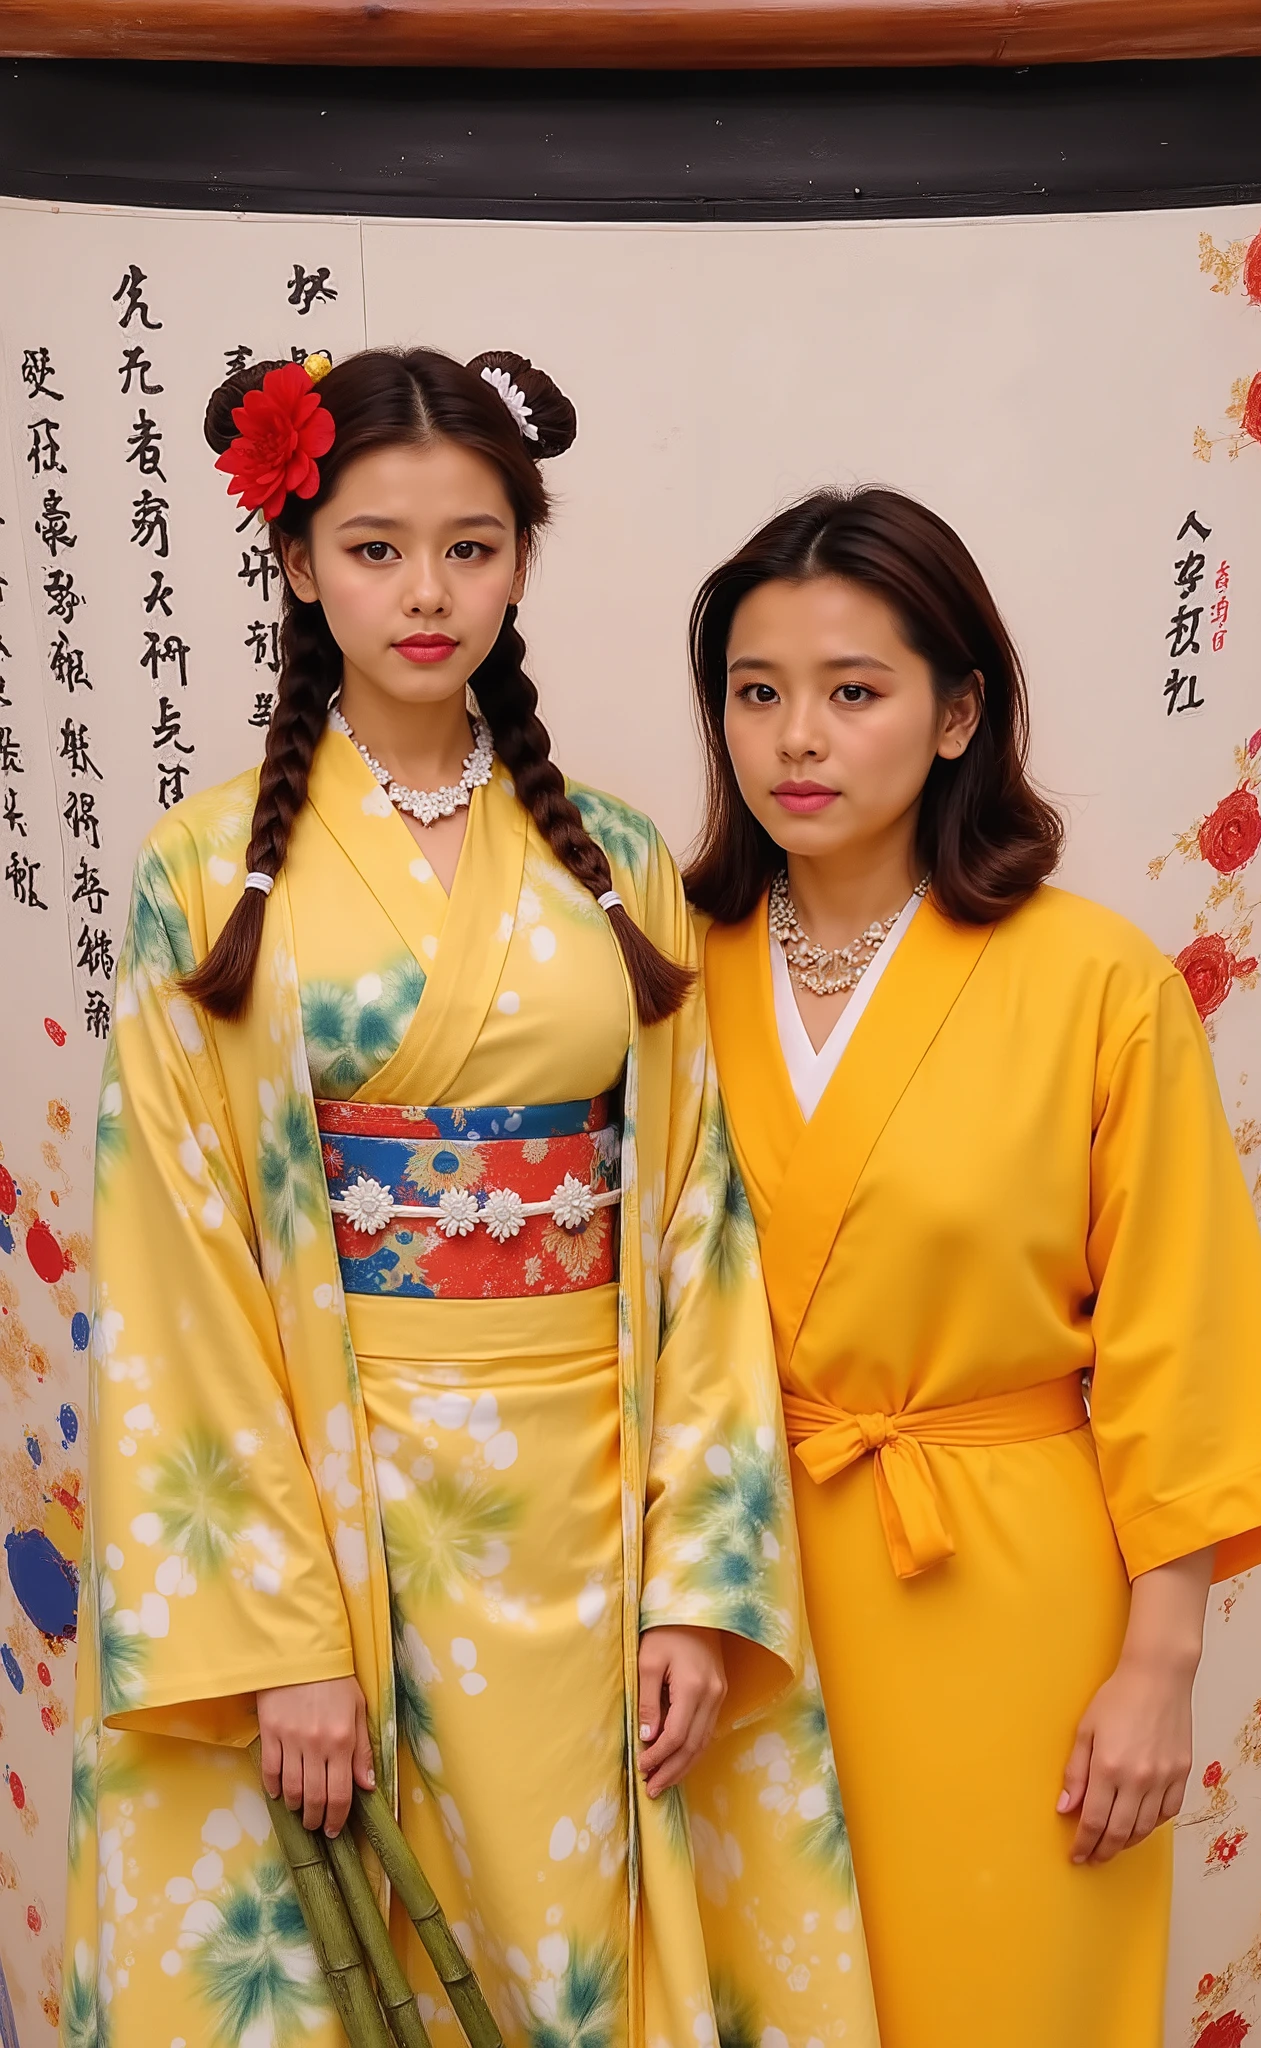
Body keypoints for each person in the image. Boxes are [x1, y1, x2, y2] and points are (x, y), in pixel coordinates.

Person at [63, 349, 879, 2048]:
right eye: (375, 549)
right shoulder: (205, 871)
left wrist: (698, 1581)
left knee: (562, 1953)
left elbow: (695, 1228)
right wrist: (279, 1636)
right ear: (300, 566)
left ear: (520, 561)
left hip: (587, 1518)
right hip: (331, 1491)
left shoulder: (617, 860)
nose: (426, 593)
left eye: (471, 547)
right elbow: (173, 1263)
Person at [687, 486, 1261, 2048]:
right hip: (730, 1608)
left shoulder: (1095, 981)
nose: (798, 739)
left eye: (854, 692)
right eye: (756, 693)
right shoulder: (661, 974)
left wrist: (1159, 1666)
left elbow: (1185, 1338)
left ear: (959, 712)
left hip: (1010, 1613)